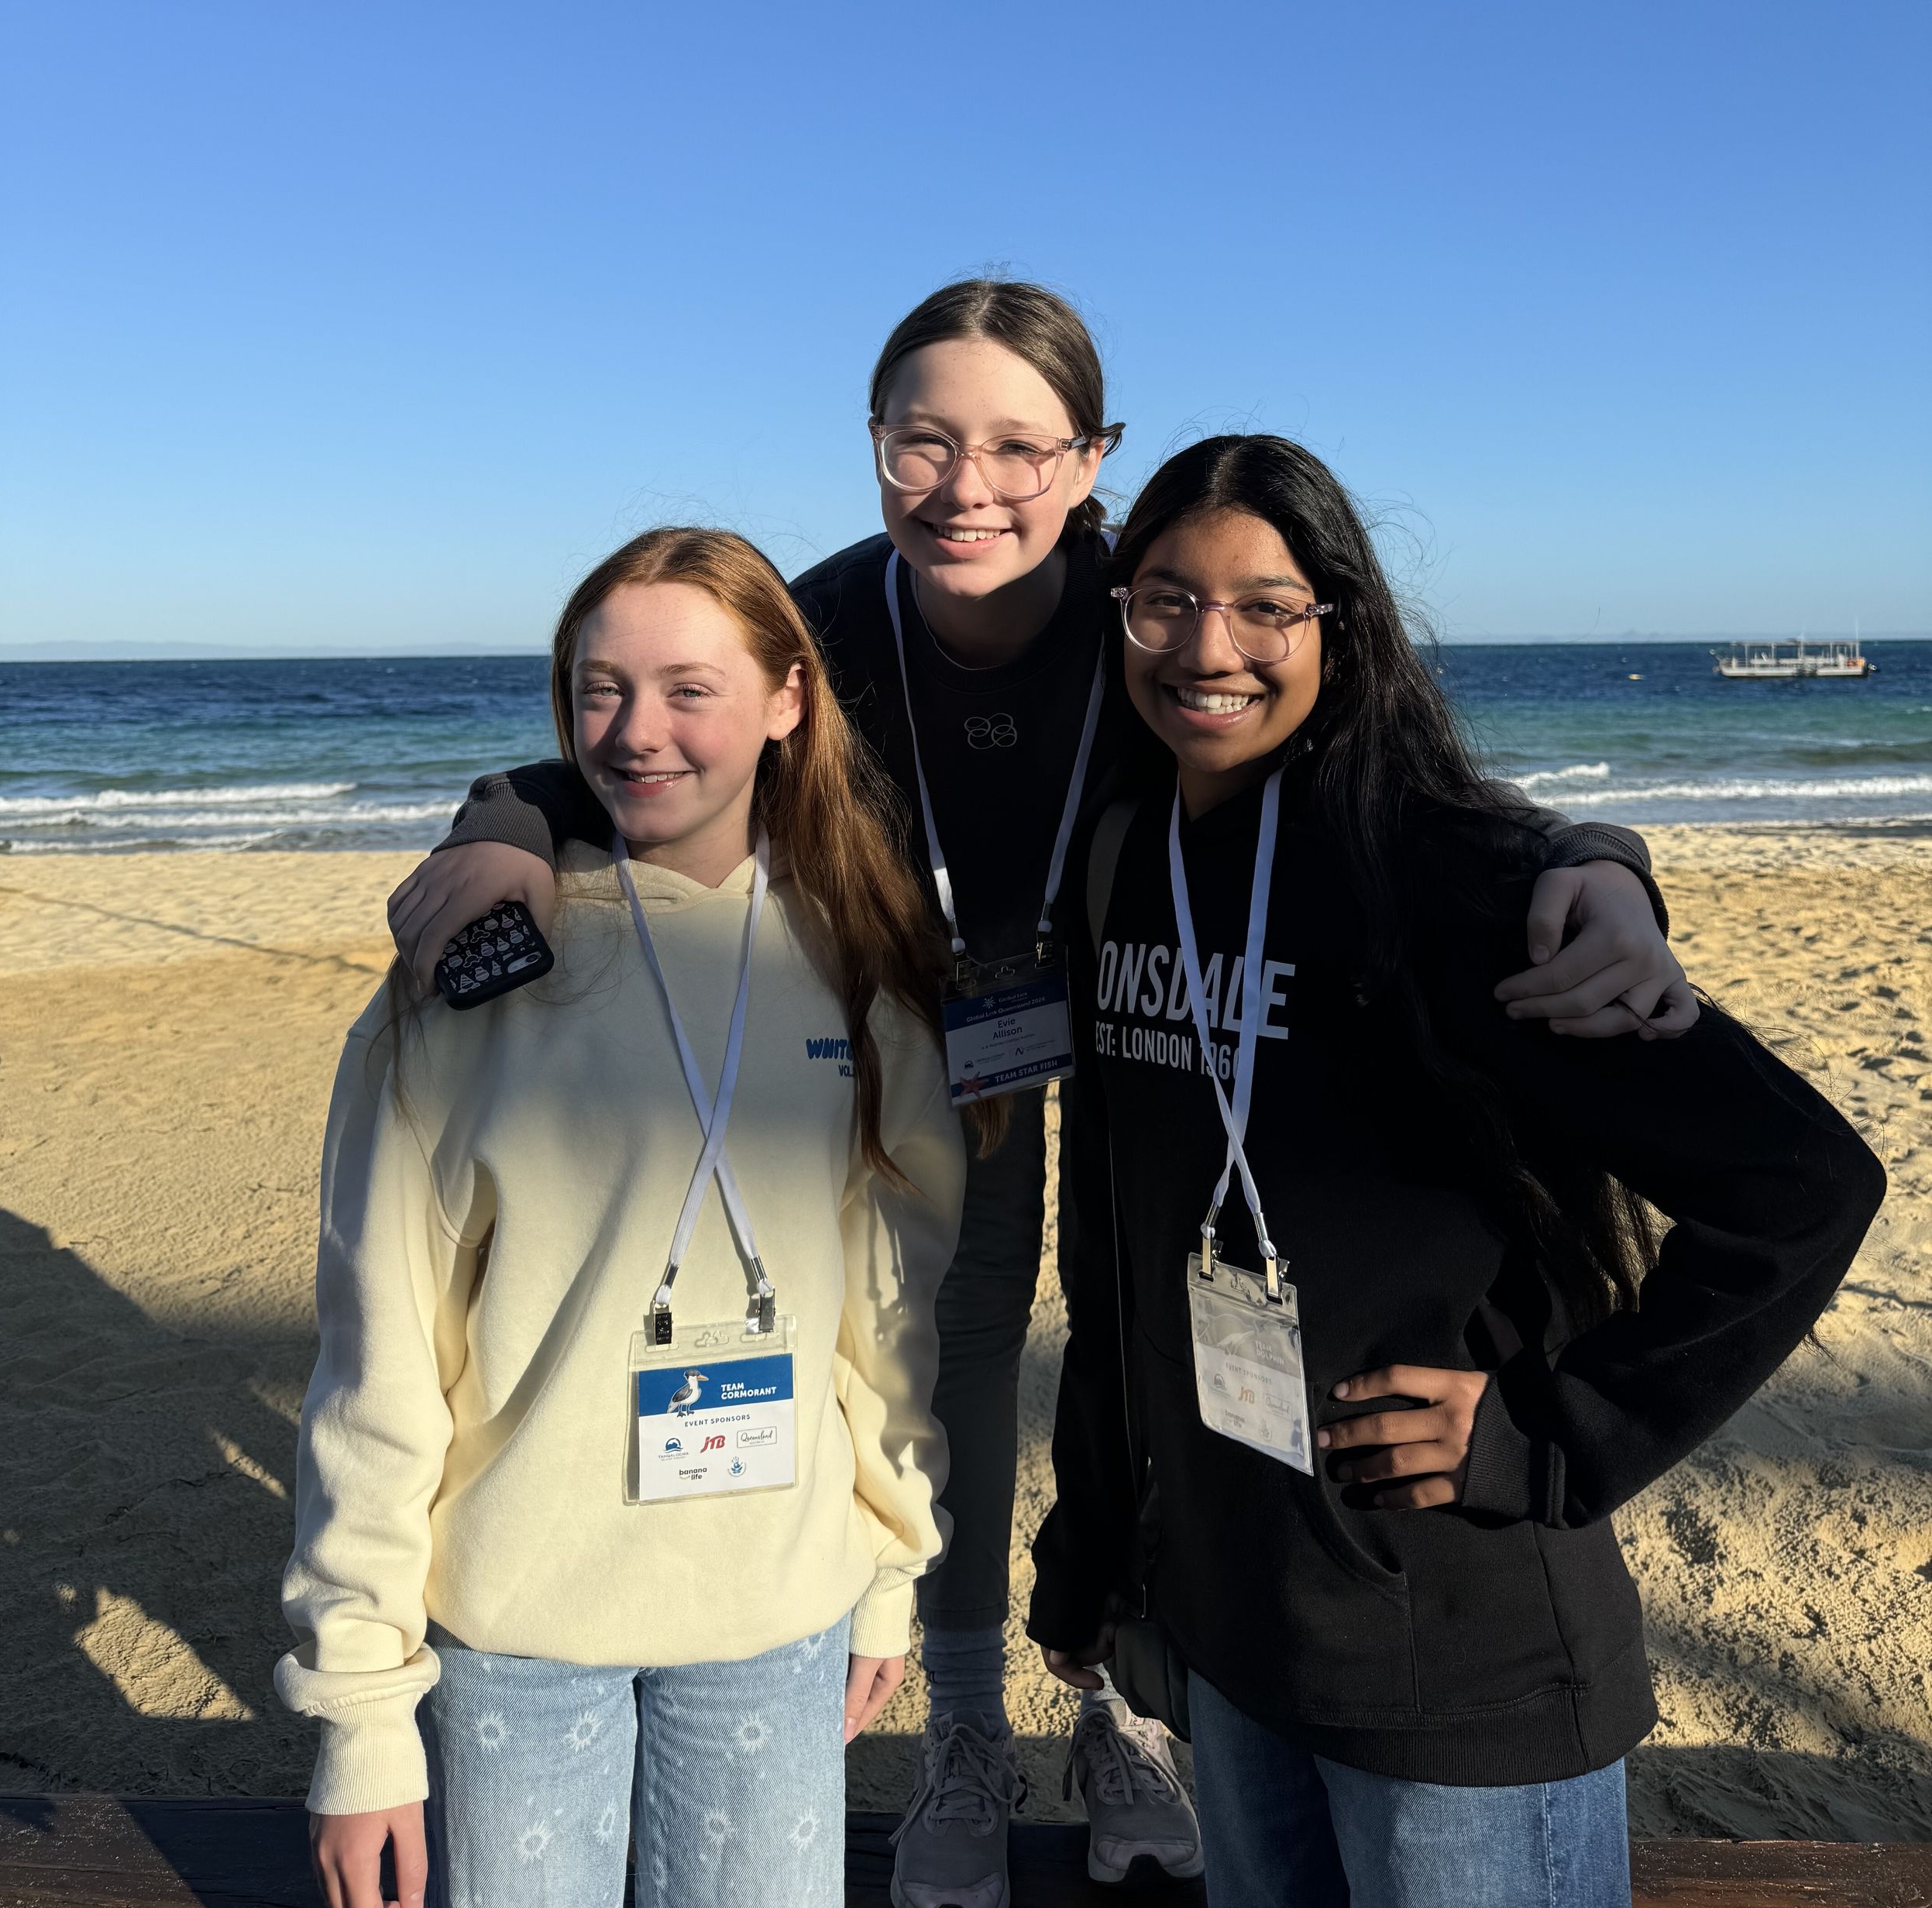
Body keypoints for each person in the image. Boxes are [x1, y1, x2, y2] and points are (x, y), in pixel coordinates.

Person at [380, 283, 1693, 1906]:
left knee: (1147, 1326)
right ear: (873, 443)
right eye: (921, 441)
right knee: (952, 1347)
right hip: (934, 1029)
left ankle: (1124, 1701)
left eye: (1017, 446)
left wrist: (1599, 857)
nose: (966, 487)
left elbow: (1383, 746)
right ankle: (961, 1725)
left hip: (1147, 1013)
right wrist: (508, 820)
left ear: (1091, 458)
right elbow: (653, 720)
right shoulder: (827, 622)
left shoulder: (1158, 601)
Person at [1030, 435, 1887, 1908]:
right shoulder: (1122, 856)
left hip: (1458, 1655)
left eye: (1266, 607)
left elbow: (1803, 1186)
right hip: (1233, 1624)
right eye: (1164, 600)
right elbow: (1112, 1231)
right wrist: (1097, 1525)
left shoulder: (1452, 884)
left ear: (1340, 628)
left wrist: (1557, 1435)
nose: (1208, 648)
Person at [277, 528, 964, 1908]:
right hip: (519, 1629)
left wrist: (892, 1568)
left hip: (778, 1612)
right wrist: (362, 1720)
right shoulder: (470, 982)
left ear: (787, 700)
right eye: (602, 689)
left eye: (688, 690)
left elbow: (887, 1326)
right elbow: (379, 1368)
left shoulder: (857, 964)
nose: (637, 732)